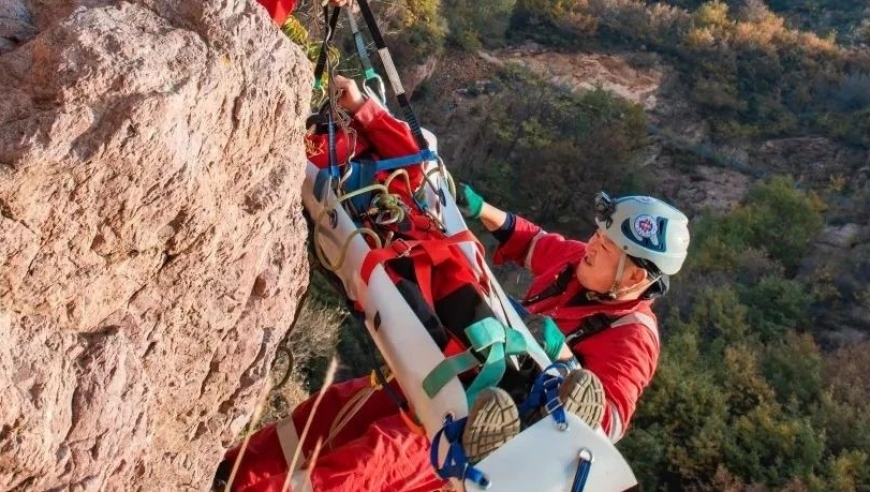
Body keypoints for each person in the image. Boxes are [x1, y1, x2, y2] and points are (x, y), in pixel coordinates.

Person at [454, 183, 690, 450]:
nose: (592, 246)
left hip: (497, 422)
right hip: (477, 359)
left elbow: (609, 422)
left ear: (636, 276)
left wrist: (564, 358)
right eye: (597, 235)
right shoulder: (582, 263)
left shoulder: (633, 337)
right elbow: (533, 241)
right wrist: (480, 208)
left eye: (606, 247)